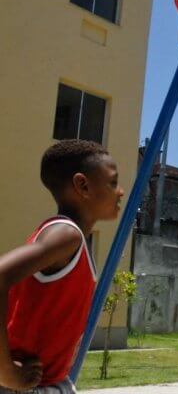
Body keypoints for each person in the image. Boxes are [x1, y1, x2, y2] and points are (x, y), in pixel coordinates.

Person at [0, 140, 124, 393]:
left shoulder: (67, 237)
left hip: (48, 381)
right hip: (26, 385)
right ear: (83, 186)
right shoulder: (66, 235)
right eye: (112, 182)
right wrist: (6, 373)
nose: (120, 192)